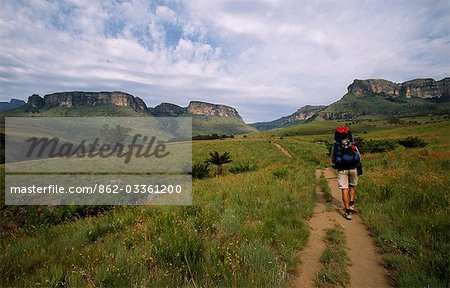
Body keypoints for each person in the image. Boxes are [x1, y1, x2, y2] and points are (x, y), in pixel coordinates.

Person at [330, 126, 361, 220]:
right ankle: (351, 205)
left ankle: (347, 212)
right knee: (352, 187)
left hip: (342, 170)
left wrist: (335, 164)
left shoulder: (336, 146)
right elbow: (359, 157)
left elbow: (332, 159)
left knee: (344, 189)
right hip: (353, 169)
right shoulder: (352, 144)